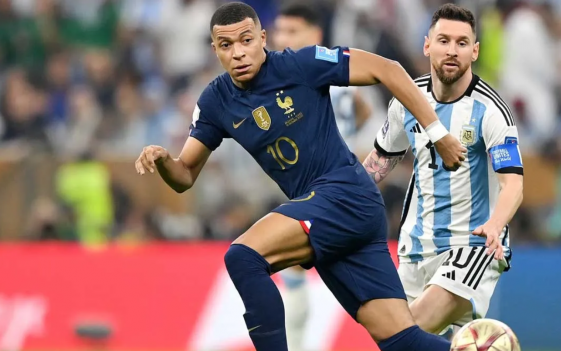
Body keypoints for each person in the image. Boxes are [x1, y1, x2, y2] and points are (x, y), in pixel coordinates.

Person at [135, 3, 466, 351]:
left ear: (262, 38)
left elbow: (388, 69)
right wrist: (163, 160)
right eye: (227, 45)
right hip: (333, 215)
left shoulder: (300, 65)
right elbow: (185, 174)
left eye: (246, 40)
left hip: (345, 194)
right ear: (214, 50)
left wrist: (438, 133)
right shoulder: (215, 100)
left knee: (243, 256)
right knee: (403, 342)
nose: (239, 53)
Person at [362, 3, 524, 335]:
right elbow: (377, 166)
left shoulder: (490, 111)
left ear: (475, 51)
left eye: (462, 43)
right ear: (427, 45)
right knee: (407, 342)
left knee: (408, 332)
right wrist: (335, 200)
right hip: (414, 250)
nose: (452, 51)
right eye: (444, 40)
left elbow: (513, 185)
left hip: (472, 246)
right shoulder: (407, 101)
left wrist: (495, 224)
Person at [272, 4, 372, 350]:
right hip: (342, 191)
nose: (282, 39)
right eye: (280, 32)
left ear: (315, 36)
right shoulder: (342, 75)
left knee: (286, 267)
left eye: (292, 32)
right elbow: (365, 109)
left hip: (324, 194)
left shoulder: (303, 77)